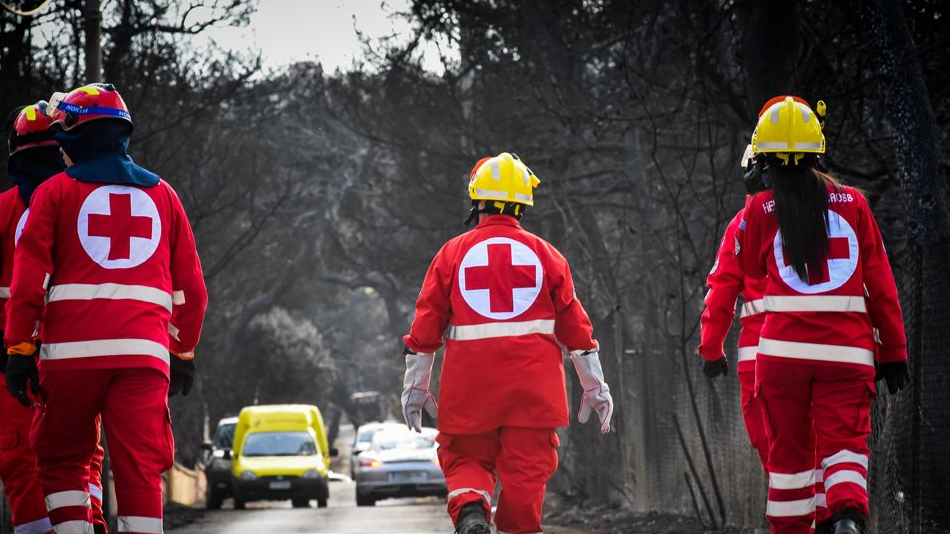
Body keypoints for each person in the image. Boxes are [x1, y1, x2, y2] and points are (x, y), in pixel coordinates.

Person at [4, 84, 208, 534]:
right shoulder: (165, 196)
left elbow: (28, 283)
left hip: (70, 360)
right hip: (144, 360)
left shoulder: (54, 194)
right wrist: (183, 352)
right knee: (141, 468)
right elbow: (191, 291)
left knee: (62, 460)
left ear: (75, 132)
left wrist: (20, 349)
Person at [401, 152, 614, 534]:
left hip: (469, 390)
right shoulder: (549, 256)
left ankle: (470, 511)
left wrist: (415, 389)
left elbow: (426, 329)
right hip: (534, 394)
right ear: (522, 204)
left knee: (464, 456)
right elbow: (577, 332)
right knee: (526, 475)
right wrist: (596, 388)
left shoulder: (450, 254)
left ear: (476, 200)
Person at [736, 97, 908, 534]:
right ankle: (847, 518)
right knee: (845, 446)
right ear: (818, 150)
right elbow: (882, 288)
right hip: (848, 354)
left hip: (781, 356)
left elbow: (755, 270)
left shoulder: (758, 210)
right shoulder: (854, 205)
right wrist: (894, 352)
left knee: (789, 457)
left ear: (764, 157)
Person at [698, 96, 829, 532]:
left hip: (763, 355)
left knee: (781, 455)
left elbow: (720, 293)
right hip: (829, 346)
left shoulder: (745, 222)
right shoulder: (836, 213)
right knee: (824, 449)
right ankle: (830, 518)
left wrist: (711, 350)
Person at [3, 101, 109, 534]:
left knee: (20, 453)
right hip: (76, 351)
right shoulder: (86, 204)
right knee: (85, 455)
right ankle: (91, 524)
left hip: (15, 356)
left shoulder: (10, 208)